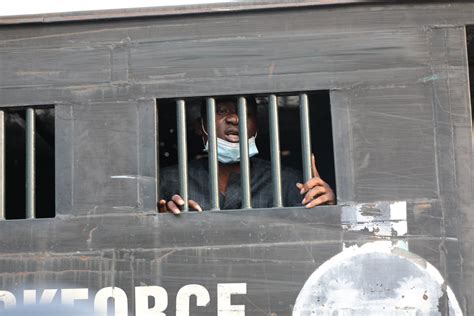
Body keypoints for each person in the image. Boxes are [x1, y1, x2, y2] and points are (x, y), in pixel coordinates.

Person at [159, 97, 335, 214]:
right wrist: (163, 222)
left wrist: (329, 210)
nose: (235, 119)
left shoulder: (288, 181)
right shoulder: (169, 180)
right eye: (221, 111)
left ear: (257, 127)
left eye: (246, 112)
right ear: (200, 126)